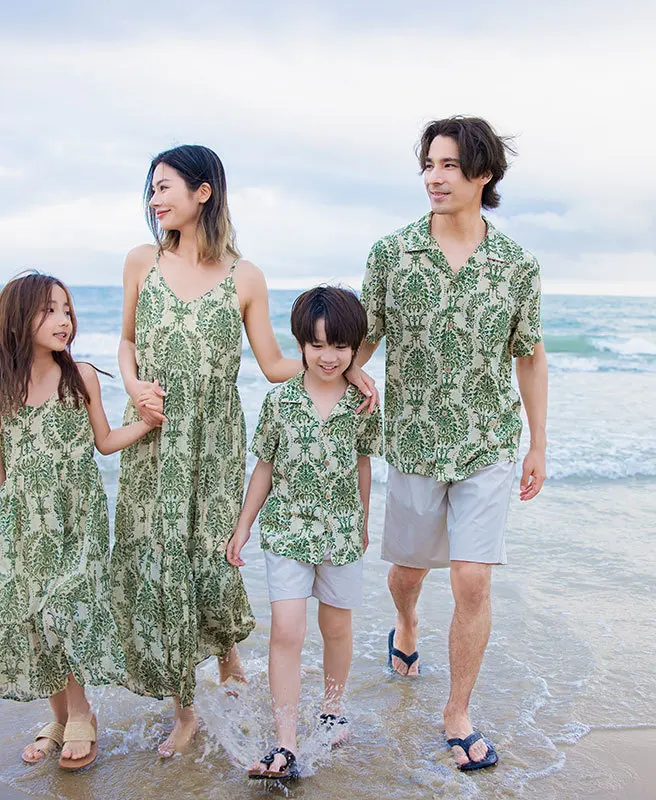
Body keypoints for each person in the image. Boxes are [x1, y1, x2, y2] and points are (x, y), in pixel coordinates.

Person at [113, 145, 377, 758]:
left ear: (203, 191)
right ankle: (184, 710)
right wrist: (132, 386)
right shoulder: (140, 261)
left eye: (165, 186)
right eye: (151, 189)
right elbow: (125, 342)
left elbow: (277, 364)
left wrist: (346, 371)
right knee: (158, 565)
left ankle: (229, 661)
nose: (154, 199)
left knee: (208, 561)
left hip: (216, 442)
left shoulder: (244, 276)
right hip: (155, 434)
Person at [356, 116, 548, 771]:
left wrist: (538, 444)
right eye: (428, 165)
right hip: (411, 441)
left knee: (472, 581)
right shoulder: (390, 253)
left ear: (483, 174)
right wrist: (345, 374)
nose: (434, 178)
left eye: (449, 166)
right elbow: (365, 334)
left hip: (488, 443)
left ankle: (457, 713)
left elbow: (529, 355)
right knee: (407, 573)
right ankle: (406, 625)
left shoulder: (517, 265)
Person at [0, 271, 159, 771]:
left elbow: (103, 442)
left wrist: (145, 425)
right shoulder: (2, 390)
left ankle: (82, 714)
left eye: (67, 309)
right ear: (20, 319)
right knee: (35, 618)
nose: (64, 320)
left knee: (65, 605)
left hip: (75, 517)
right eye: (50, 310)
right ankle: (59, 719)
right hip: (21, 525)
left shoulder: (78, 376)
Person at [227, 287, 384, 781]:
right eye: (317, 345)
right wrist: (243, 525)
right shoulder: (279, 401)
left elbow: (363, 465)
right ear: (301, 344)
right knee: (287, 631)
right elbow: (264, 468)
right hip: (286, 532)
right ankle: (285, 741)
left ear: (356, 347)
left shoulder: (363, 403)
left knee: (336, 628)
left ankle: (333, 709)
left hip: (339, 534)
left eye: (340, 346)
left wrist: (361, 519)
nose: (329, 356)